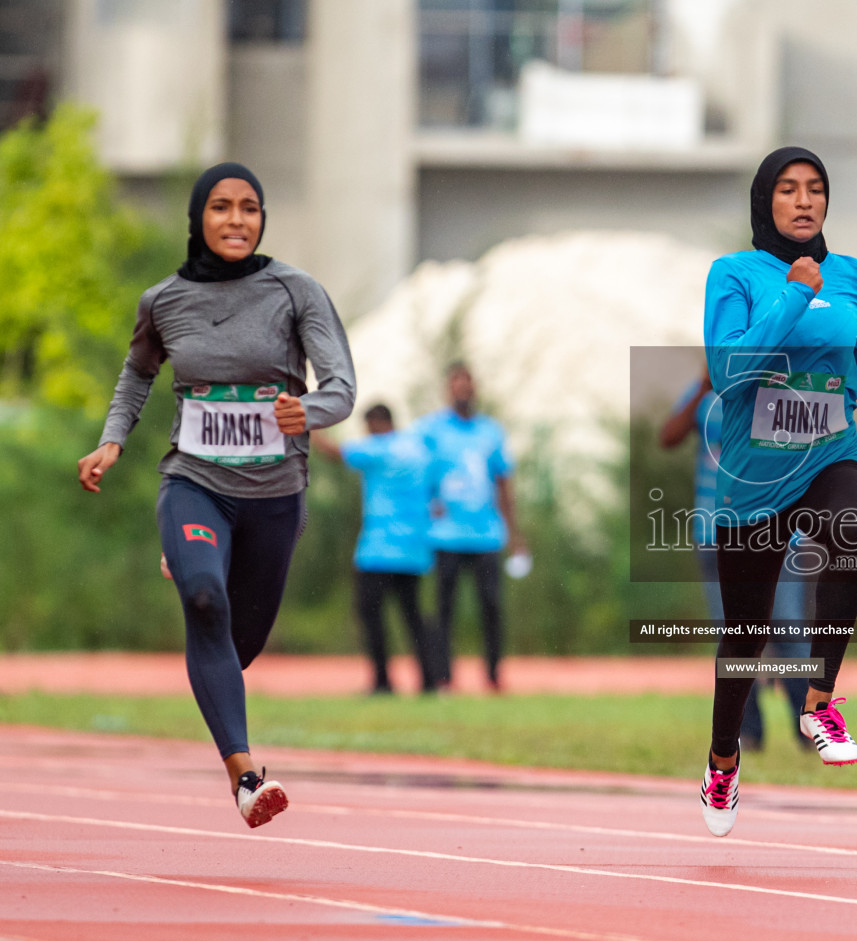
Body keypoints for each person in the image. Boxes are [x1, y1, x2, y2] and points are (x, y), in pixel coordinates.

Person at [77, 162, 356, 828]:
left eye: (250, 208)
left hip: (276, 494)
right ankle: (246, 777)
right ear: (199, 218)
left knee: (240, 642)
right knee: (205, 598)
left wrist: (307, 412)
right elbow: (136, 376)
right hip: (195, 482)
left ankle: (203, 583)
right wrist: (112, 440)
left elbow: (342, 387)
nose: (237, 220)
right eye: (223, 207)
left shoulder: (297, 291)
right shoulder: (163, 300)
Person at [699, 146, 857, 837]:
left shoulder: (856, 277)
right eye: (789, 190)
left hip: (830, 449)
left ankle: (819, 700)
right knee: (745, 638)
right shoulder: (734, 274)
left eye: (816, 189)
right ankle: (724, 758)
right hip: (756, 472)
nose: (805, 201)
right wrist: (792, 291)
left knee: (855, 526)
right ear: (766, 202)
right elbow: (730, 373)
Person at [660, 370, 814, 751]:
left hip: (775, 530)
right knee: (734, 635)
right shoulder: (706, 394)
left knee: (788, 631)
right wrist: (700, 387)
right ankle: (748, 732)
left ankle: (809, 727)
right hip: (715, 533)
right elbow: (668, 438)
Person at [312, 404, 437, 695]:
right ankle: (429, 681)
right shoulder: (418, 451)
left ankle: (382, 681)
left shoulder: (379, 449)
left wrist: (309, 426)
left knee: (372, 615)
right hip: (415, 549)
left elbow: (334, 453)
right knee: (414, 617)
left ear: (377, 424)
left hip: (380, 549)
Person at [416, 363, 525, 692]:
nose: (462, 389)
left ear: (475, 388)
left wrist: (515, 534)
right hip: (446, 534)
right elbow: (414, 472)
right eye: (455, 383)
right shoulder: (430, 431)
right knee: (444, 609)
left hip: (486, 535)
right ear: (447, 389)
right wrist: (425, 504)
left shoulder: (490, 431)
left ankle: (493, 675)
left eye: (467, 383)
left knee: (491, 607)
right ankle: (444, 677)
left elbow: (503, 482)